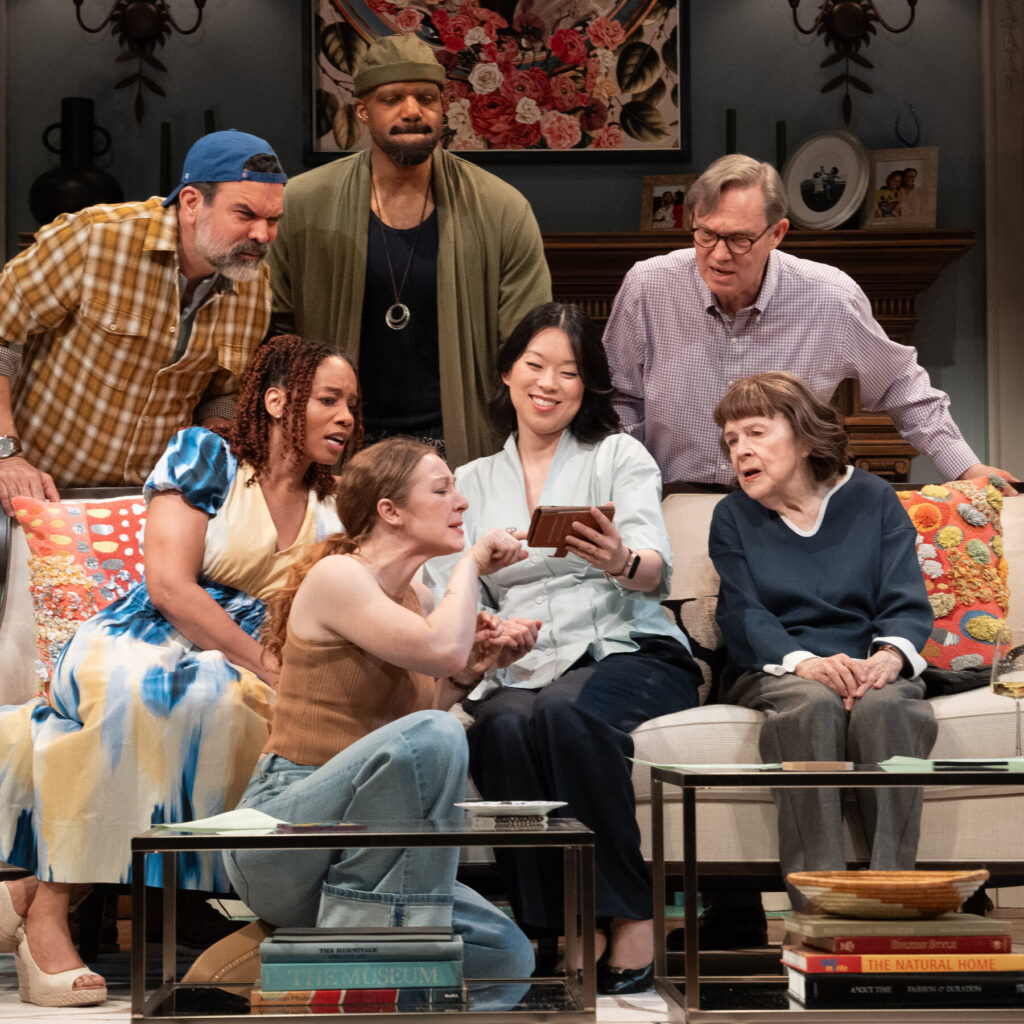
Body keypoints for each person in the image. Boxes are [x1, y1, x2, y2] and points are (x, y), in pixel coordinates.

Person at [0, 334, 358, 1006]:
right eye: (329, 400)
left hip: (250, 653)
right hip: (147, 631)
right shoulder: (207, 455)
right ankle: (47, 913)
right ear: (277, 401)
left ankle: (31, 896)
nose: (345, 417)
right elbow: (169, 584)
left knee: (223, 703)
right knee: (153, 693)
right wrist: (264, 662)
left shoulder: (335, 502)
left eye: (351, 406)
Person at [423, 302, 702, 995]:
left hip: (627, 648)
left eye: (569, 372)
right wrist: (488, 630)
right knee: (502, 725)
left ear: (587, 386)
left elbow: (654, 569)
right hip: (522, 663)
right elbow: (453, 593)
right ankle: (566, 923)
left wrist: (618, 558)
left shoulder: (617, 455)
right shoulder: (470, 481)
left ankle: (631, 911)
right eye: (535, 365)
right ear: (507, 373)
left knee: (562, 713)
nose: (549, 384)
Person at [221, 437, 539, 1010]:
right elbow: (436, 680)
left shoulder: (417, 597)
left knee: (508, 957)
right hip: (284, 838)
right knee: (438, 735)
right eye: (442, 490)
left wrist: (470, 673)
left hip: (367, 839)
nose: (462, 502)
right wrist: (470, 566)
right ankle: (359, 980)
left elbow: (417, 724)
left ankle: (319, 975)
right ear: (390, 510)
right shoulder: (339, 577)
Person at [602, 153, 1016, 493]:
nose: (719, 255)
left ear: (777, 233)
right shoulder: (648, 285)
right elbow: (618, 396)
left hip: (785, 505)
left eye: (739, 239)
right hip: (671, 495)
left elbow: (902, 386)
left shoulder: (830, 298)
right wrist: (626, 485)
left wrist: (965, 467)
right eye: (706, 234)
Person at [268, 34, 552, 467]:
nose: (412, 110)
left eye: (426, 98)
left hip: (464, 442)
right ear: (363, 110)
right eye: (392, 99)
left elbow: (530, 346)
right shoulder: (303, 204)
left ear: (443, 106)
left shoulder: (501, 209)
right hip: (339, 444)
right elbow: (275, 334)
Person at [708, 372, 937, 907]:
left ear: (806, 438)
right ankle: (820, 908)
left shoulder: (873, 498)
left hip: (867, 661)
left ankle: (890, 899)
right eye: (732, 440)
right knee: (810, 705)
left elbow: (905, 596)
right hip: (779, 668)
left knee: (888, 707)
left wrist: (888, 657)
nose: (741, 450)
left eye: (756, 433)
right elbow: (742, 613)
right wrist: (803, 661)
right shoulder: (733, 516)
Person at [0, 129, 288, 516]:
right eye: (246, 215)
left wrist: (212, 443)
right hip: (40, 489)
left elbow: (225, 392)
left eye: (273, 220)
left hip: (150, 504)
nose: (262, 235)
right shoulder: (97, 239)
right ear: (192, 202)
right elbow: (3, 337)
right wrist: (6, 455)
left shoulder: (253, 286)